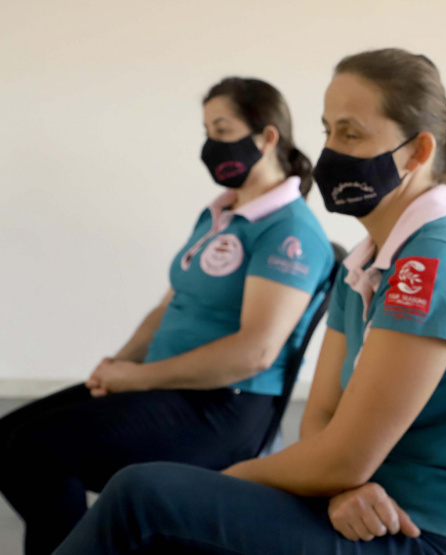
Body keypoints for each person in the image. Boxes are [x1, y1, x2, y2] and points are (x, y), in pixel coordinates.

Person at [54, 49, 446, 555]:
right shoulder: (366, 262)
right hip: (363, 503)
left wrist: (239, 476)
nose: (329, 150)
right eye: (327, 130)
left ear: (417, 152)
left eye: (350, 133)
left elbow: (343, 457)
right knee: (152, 498)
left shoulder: (434, 264)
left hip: (430, 532)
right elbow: (321, 417)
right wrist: (338, 484)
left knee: (143, 497)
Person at [0, 77, 334, 555]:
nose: (210, 144)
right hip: (168, 387)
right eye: (206, 130)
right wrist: (115, 368)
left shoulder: (289, 231)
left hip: (222, 407)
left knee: (40, 451)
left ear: (267, 137)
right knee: (9, 439)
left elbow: (255, 352)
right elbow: (168, 306)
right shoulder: (219, 213)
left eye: (222, 129)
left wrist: (138, 378)